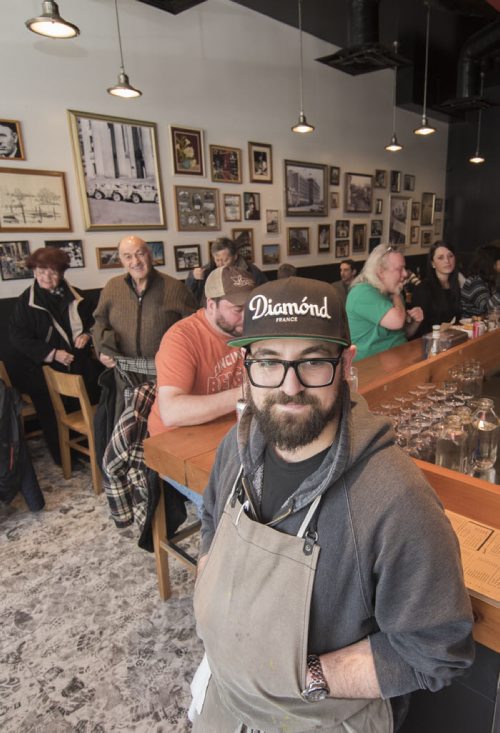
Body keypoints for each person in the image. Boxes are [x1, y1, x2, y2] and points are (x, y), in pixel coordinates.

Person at [190, 277, 474, 732]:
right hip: (225, 700)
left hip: (320, 718)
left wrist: (306, 675)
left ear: (345, 363)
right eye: (268, 362)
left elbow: (436, 650)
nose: (289, 387)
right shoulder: (236, 446)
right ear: (246, 366)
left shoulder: (395, 499)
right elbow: (209, 520)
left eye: (313, 362)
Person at [9, 247, 101, 464]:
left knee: (95, 390)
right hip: (44, 368)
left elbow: (96, 322)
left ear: (62, 273)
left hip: (77, 363)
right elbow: (18, 338)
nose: (46, 277)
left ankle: (94, 449)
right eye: (41, 271)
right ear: (33, 271)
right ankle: (64, 457)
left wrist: (87, 335)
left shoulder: (77, 296)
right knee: (50, 409)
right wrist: (52, 353)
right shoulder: (26, 302)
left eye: (52, 272)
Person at [148, 265, 255, 436]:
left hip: (228, 429)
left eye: (251, 307)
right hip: (176, 437)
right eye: (238, 309)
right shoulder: (181, 338)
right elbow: (171, 412)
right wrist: (249, 392)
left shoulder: (250, 329)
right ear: (211, 305)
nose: (248, 317)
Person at [92, 234, 196, 393]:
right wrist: (102, 351)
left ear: (150, 255)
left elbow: (194, 328)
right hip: (124, 374)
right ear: (121, 260)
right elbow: (100, 321)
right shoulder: (112, 287)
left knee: (160, 418)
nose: (135, 262)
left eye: (140, 254)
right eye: (128, 257)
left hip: (166, 374)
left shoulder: (176, 288)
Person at [346, 244, 424, 361]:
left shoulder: (390, 292)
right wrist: (397, 294)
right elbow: (397, 322)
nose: (405, 274)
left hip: (398, 358)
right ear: (381, 272)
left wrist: (416, 323)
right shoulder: (363, 292)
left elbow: (403, 333)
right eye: (399, 269)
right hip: (370, 368)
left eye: (404, 268)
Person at [185, 237, 267, 307]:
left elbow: (265, 293)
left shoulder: (251, 271)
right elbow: (188, 293)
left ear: (235, 256)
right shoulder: (207, 270)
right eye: (217, 260)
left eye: (225, 260)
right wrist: (193, 277)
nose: (220, 264)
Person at [412, 241, 462, 337]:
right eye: (440, 258)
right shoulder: (423, 289)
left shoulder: (455, 286)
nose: (447, 261)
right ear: (433, 264)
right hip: (427, 341)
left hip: (449, 338)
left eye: (450, 256)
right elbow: (419, 327)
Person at [460, 243, 500, 317]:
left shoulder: (489, 281)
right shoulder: (475, 282)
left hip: (485, 325)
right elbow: (487, 308)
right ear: (491, 263)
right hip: (470, 326)